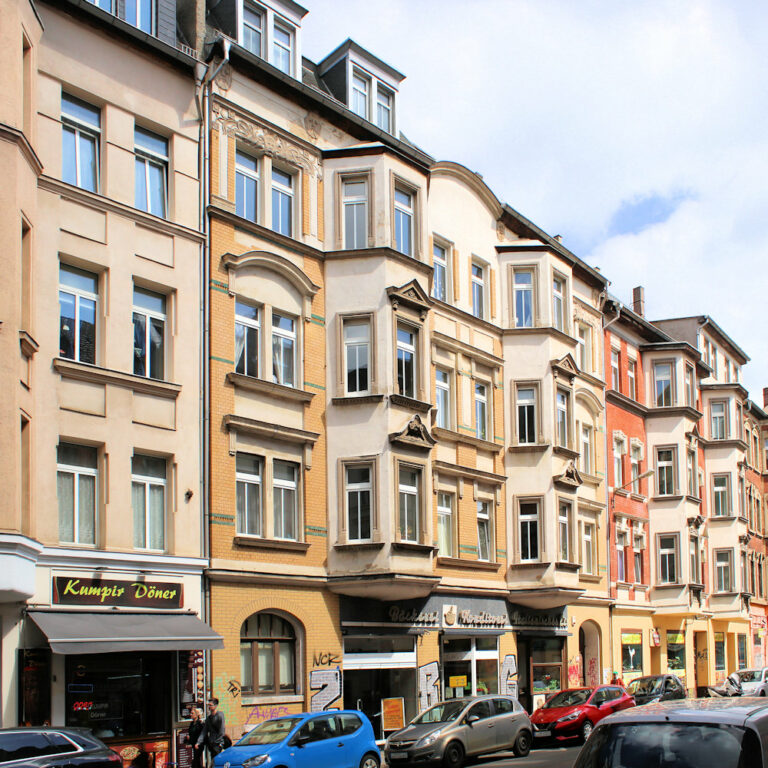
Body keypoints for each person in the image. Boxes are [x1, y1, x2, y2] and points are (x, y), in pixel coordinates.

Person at [197, 699, 226, 767]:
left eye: (210, 705)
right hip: (211, 744)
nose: (209, 707)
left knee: (216, 761)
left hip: (218, 744)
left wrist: (220, 742)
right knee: (213, 761)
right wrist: (198, 742)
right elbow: (204, 731)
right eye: (208, 705)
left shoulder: (220, 715)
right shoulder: (209, 718)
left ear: (215, 706)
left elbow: (222, 729)